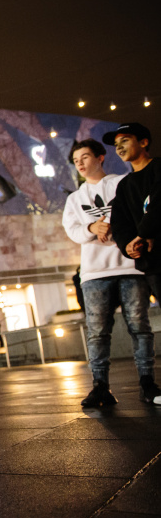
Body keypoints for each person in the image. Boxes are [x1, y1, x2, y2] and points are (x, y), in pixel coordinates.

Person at [63, 138, 158, 407]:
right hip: (94, 272)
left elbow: (143, 213)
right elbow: (72, 230)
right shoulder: (74, 199)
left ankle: (148, 384)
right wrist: (92, 229)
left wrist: (121, 228)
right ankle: (100, 387)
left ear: (100, 157)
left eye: (85, 157)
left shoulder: (122, 183)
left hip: (130, 266)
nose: (80, 163)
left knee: (140, 328)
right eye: (76, 160)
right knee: (97, 332)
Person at [105, 123, 161, 404]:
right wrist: (129, 245)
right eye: (116, 144)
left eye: (125, 140)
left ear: (144, 141)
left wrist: (144, 234)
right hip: (153, 265)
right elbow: (120, 223)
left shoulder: (159, 169)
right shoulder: (125, 186)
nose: (119, 147)